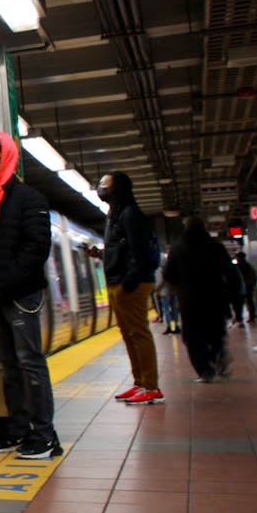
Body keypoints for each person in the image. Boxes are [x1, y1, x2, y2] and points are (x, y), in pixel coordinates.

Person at [0, 130, 60, 459]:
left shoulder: (29, 199)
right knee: (8, 365)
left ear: (6, 156)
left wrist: (10, 281)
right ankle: (18, 430)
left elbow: (37, 248)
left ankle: (44, 435)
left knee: (30, 362)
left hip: (22, 296)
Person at [92, 171, 163, 404]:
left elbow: (139, 250)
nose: (100, 188)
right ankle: (140, 382)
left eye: (104, 184)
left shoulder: (130, 214)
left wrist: (129, 280)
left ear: (118, 188)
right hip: (119, 281)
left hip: (130, 283)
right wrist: (99, 254)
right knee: (129, 334)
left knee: (138, 333)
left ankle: (151, 386)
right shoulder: (115, 215)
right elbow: (120, 249)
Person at [164, 217, 238, 381]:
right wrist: (233, 296)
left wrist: (181, 285)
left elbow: (168, 274)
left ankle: (205, 371)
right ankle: (217, 355)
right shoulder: (216, 247)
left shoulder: (178, 249)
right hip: (215, 298)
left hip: (190, 301)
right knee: (216, 333)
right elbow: (231, 273)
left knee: (193, 337)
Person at [155, 256, 180, 335]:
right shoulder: (172, 268)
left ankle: (168, 326)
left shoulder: (160, 270)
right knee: (174, 309)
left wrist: (157, 290)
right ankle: (176, 325)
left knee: (166, 310)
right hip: (173, 291)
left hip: (164, 292)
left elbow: (159, 282)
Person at [235, 251, 257, 324]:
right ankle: (251, 316)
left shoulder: (238, 266)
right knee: (249, 301)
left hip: (243, 287)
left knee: (240, 303)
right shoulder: (248, 266)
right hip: (248, 287)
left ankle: (240, 318)